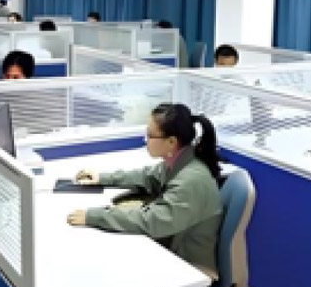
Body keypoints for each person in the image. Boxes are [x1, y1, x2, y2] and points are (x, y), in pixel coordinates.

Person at [68, 103, 223, 276]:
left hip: (191, 269)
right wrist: (102, 178)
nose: (145, 140)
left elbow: (151, 221)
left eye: (150, 135)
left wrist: (95, 216)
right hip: (172, 245)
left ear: (171, 142)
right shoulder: (180, 161)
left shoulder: (191, 180)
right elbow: (147, 176)